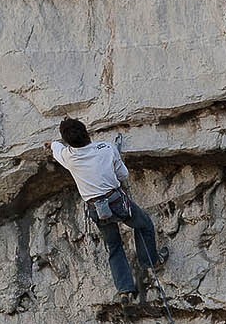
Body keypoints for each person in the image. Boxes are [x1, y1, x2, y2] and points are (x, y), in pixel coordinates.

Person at [51, 118, 167, 297]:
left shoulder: (68, 156)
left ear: (68, 143)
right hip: (117, 202)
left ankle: (125, 289)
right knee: (143, 224)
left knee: (114, 246)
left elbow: (55, 148)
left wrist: (51, 144)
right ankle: (150, 262)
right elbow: (124, 175)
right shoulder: (106, 148)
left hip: (97, 209)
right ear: (86, 132)